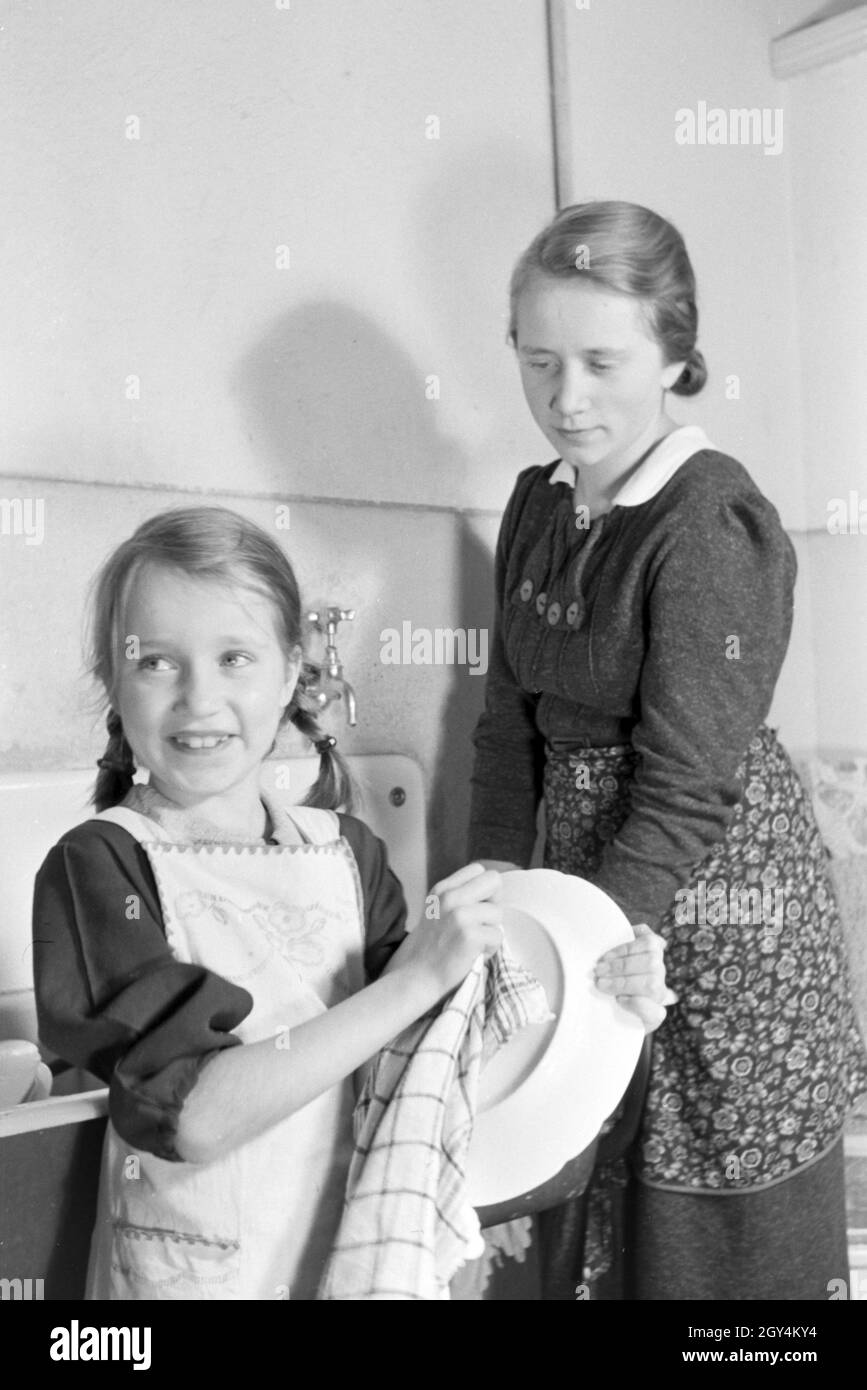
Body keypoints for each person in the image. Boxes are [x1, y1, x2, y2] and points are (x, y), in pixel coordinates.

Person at [32, 503, 669, 1300]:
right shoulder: (102, 864)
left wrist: (604, 1011)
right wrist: (411, 980)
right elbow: (193, 1115)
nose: (198, 699)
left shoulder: (346, 854)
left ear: (291, 672)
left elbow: (447, 1077)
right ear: (113, 680)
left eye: (236, 657)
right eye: (156, 662)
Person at [467, 200, 867, 1301]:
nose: (566, 396)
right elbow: (508, 726)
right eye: (539, 360)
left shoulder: (710, 520)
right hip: (579, 889)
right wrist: (494, 891)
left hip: (709, 899)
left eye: (602, 360)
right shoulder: (534, 508)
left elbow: (689, 782)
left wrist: (594, 946)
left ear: (676, 353)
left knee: (703, 1215)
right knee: (564, 1143)